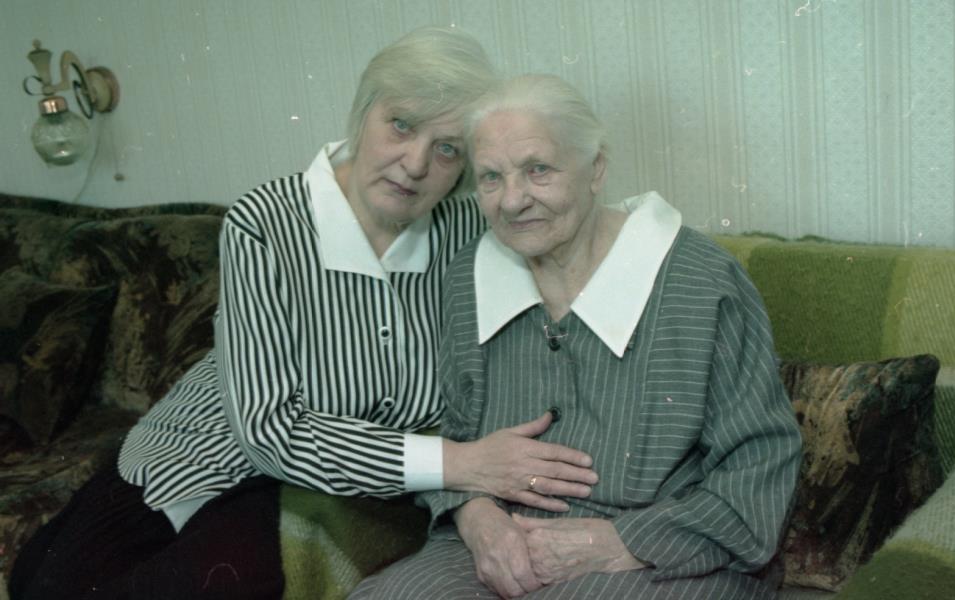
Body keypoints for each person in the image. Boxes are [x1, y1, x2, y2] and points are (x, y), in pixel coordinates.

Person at [9, 30, 599, 600]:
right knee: (44, 582)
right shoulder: (264, 223)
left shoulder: (469, 230)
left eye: (447, 149)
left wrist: (470, 493)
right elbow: (268, 430)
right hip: (198, 457)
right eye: (400, 124)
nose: (415, 164)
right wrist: (463, 465)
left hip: (322, 495)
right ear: (362, 113)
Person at [350, 74, 802, 600]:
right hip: (496, 541)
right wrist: (476, 518)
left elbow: (759, 464)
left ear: (596, 169)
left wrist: (617, 543)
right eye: (491, 177)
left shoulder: (701, 281)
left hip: (665, 554)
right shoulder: (468, 277)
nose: (512, 201)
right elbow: (454, 434)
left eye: (537, 170)